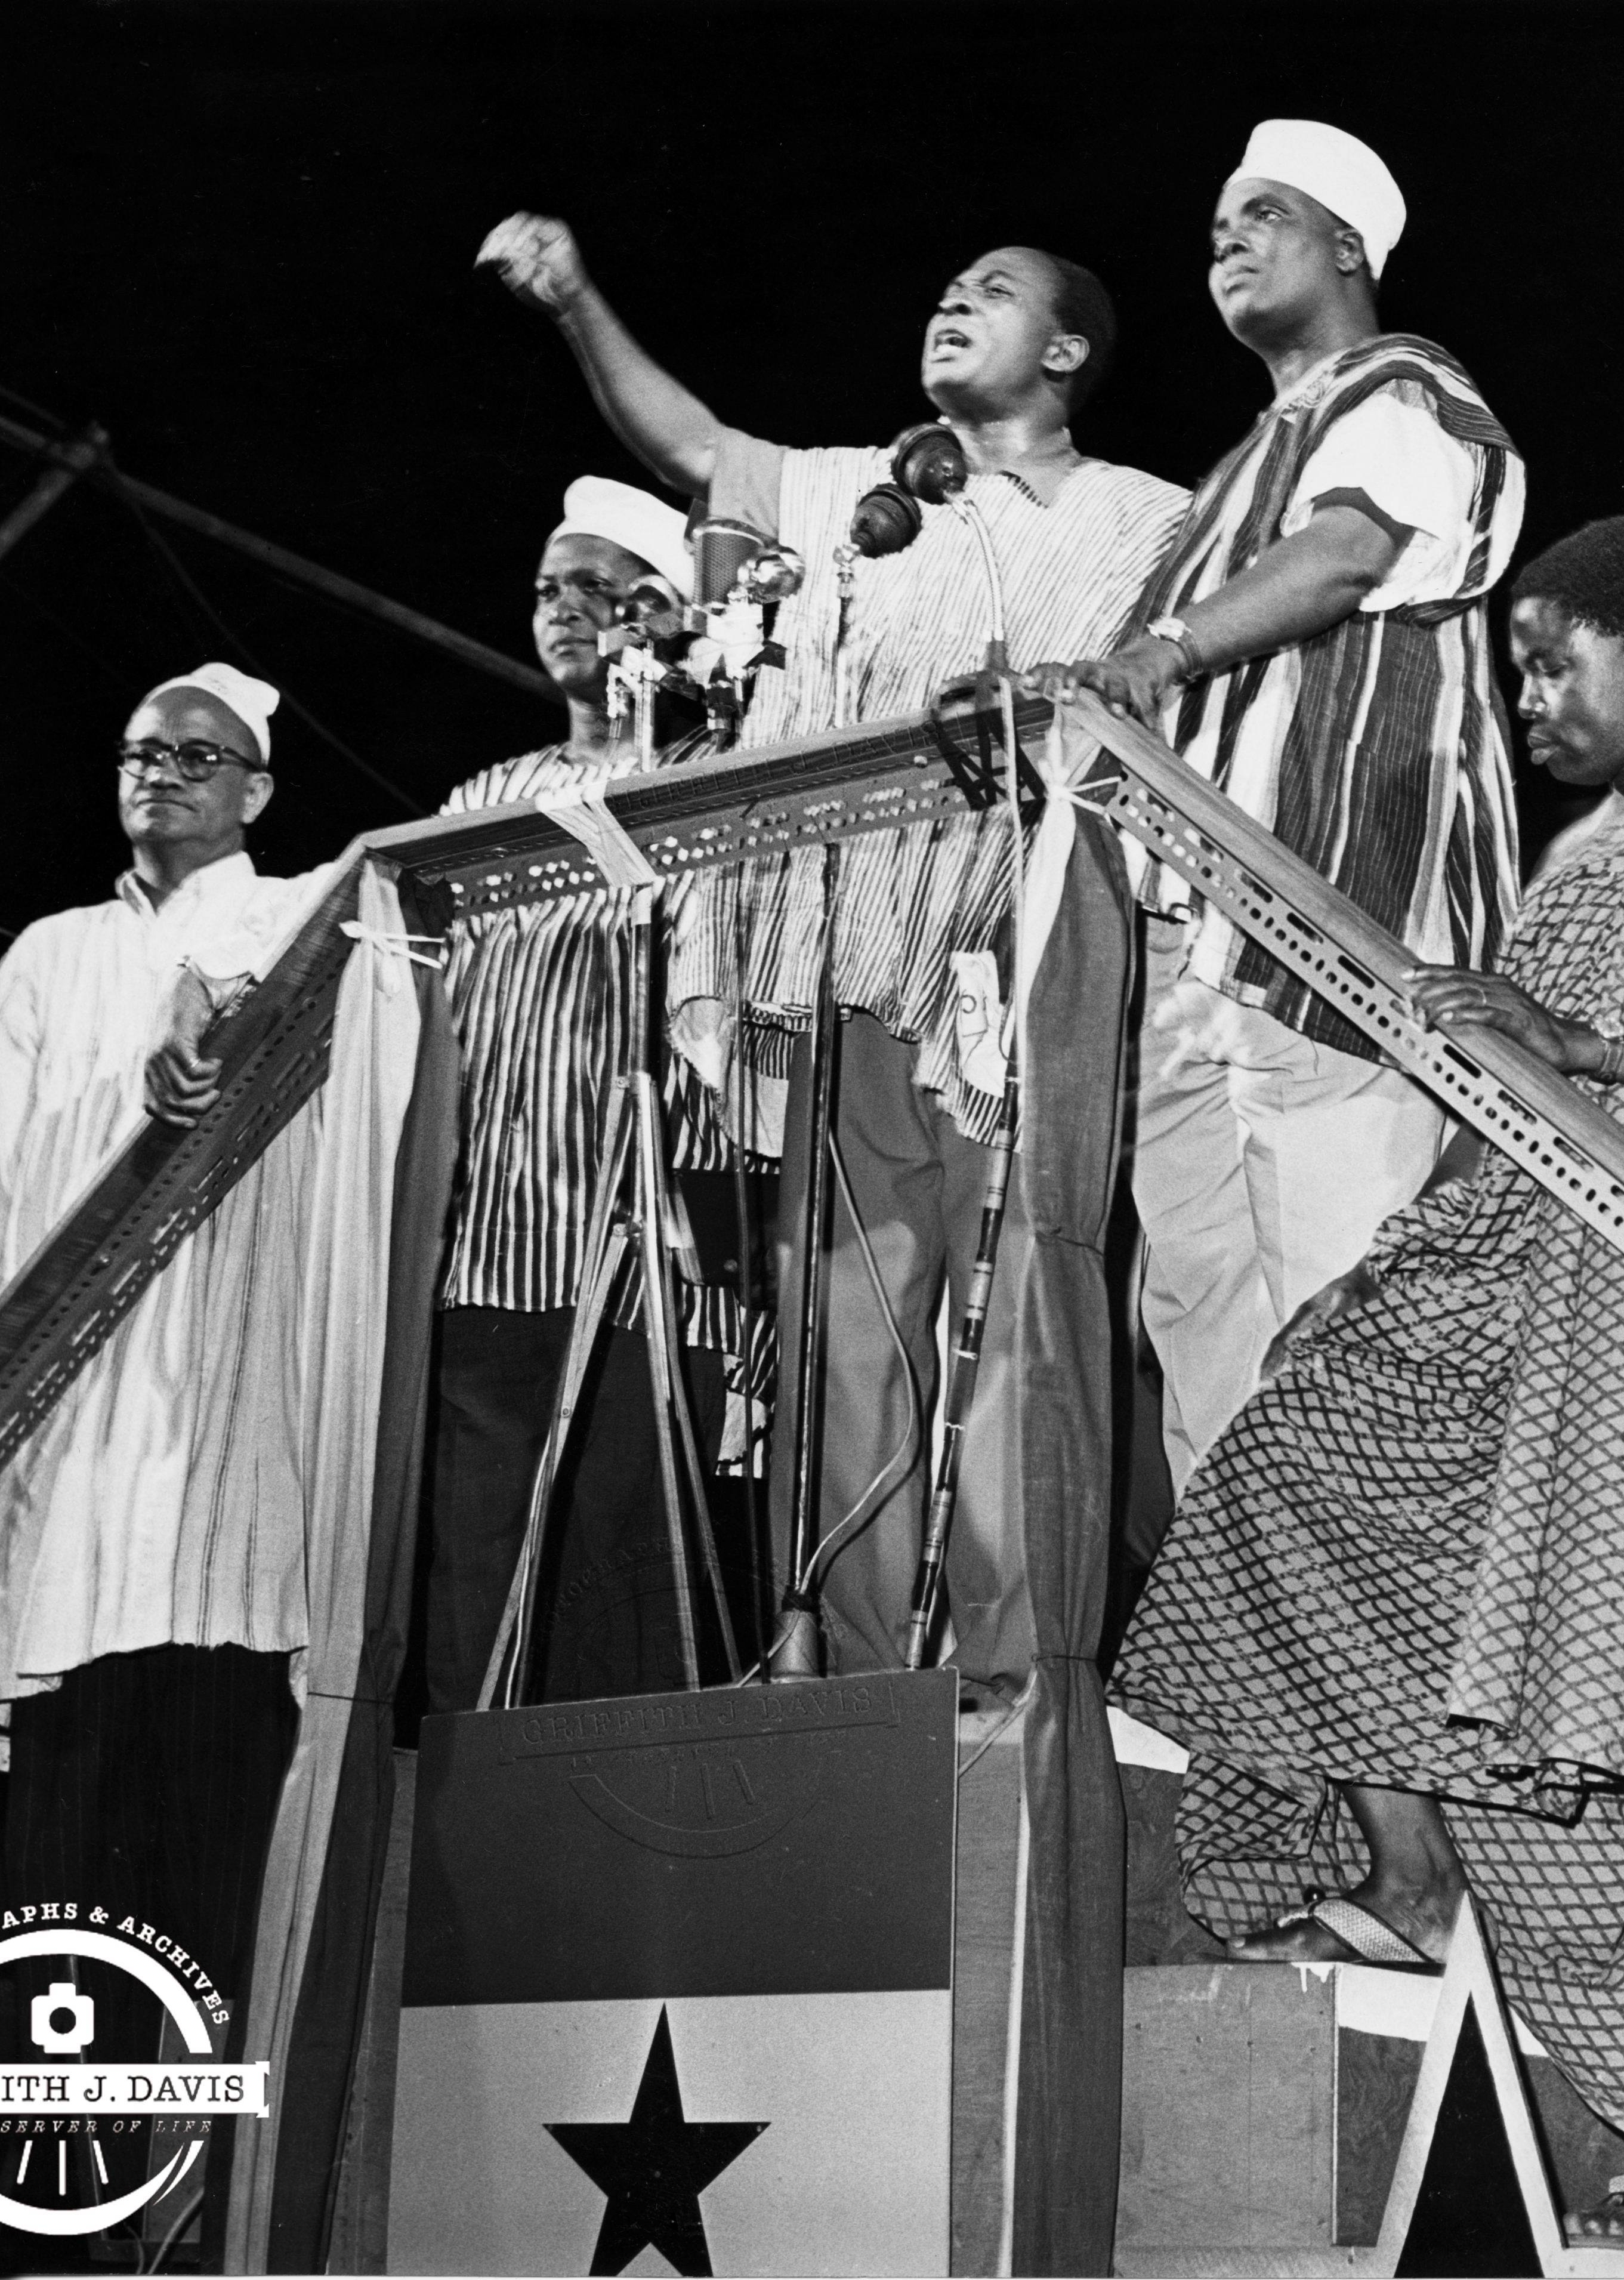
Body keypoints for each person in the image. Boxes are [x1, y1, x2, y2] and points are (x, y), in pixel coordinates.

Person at [1111, 519, 1624, 2247]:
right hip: (1521, 1263)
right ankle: (1399, 1866)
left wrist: (1569, 1044)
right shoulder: (1566, 861)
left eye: (1549, 664)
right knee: (1283, 1447)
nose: (1528, 700)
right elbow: (1507, 1092)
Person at [478, 216, 1184, 1692]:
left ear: (1064, 353)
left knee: (1022, 1327)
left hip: (1018, 962)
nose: (950, 300)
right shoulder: (863, 496)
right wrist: (574, 297)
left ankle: (1012, 1671)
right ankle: (860, 1669)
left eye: (990, 292)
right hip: (846, 969)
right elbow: (696, 448)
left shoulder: (1150, 520)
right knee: (851, 1331)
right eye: (945, 284)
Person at [0, 662, 325, 2134]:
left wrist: (220, 1005)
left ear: (256, 790)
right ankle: (70, 2198)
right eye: (143, 750)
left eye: (203, 755)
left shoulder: (304, 910)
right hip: (54, 1485)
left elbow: (305, 989)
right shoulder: (46, 957)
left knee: (213, 1867)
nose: (166, 771)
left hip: (225, 1484)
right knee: (61, 1896)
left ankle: (196, 2208)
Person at [1048, 119, 1529, 1501]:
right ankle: (1239, 1689)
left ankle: (1372, 1701)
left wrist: (1163, 650)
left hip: (1330, 935)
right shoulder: (1239, 465)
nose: (1228, 244)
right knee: (1207, 1342)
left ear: (1346, 246)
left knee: (1348, 1336)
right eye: (1216, 230)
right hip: (1198, 954)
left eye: (1264, 215)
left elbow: (1347, 554)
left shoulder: (1404, 389)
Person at [422, 477, 747, 1712]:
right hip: (494, 1255)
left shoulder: (726, 776)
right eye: (548, 589)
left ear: (660, 611)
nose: (563, 610)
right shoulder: (478, 803)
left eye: (595, 586)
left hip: (665, 1270)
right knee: (480, 1613)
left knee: (631, 1616)